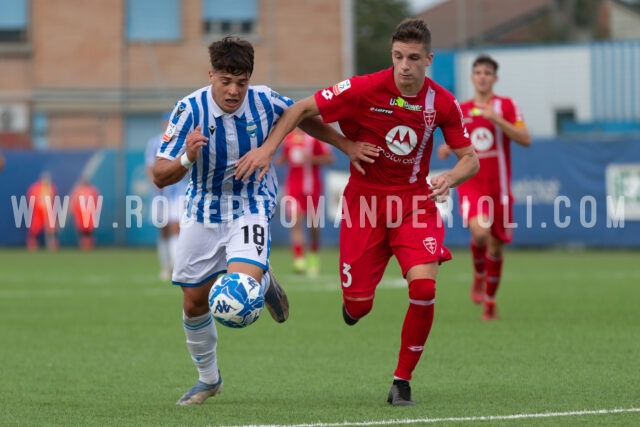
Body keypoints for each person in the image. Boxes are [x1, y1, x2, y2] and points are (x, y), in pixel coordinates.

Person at [235, 19, 479, 406]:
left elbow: (471, 159)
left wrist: (450, 176)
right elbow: (300, 109)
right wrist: (270, 150)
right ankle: (353, 306)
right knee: (358, 306)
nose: (404, 65)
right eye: (398, 56)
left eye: (414, 58)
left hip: (415, 204)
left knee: (424, 287)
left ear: (428, 60)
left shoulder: (442, 103)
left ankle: (402, 382)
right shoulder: (364, 88)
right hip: (364, 206)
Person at [152, 36, 374, 406]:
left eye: (242, 81)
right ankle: (209, 379)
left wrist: (346, 146)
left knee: (238, 289)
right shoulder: (188, 109)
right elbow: (160, 175)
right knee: (193, 303)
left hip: (251, 204)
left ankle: (258, 275)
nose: (234, 90)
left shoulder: (264, 100)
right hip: (202, 210)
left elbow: (301, 116)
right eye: (226, 80)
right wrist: (187, 158)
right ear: (211, 75)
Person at [437, 54, 531, 321]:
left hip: (499, 189)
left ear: (495, 78)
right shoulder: (461, 109)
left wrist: (497, 119)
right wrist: (448, 148)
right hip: (472, 185)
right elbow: (459, 143)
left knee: (496, 246)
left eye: (487, 73)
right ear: (472, 77)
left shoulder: (507, 105)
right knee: (481, 232)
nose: (482, 76)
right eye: (478, 72)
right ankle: (478, 275)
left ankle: (490, 302)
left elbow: (525, 138)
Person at [275, 127, 334, 276]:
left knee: (314, 226)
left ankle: (313, 257)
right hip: (293, 188)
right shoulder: (288, 139)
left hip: (312, 188)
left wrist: (311, 158)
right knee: (295, 222)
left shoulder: (315, 137)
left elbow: (329, 158)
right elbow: (284, 157)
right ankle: (299, 259)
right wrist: (280, 160)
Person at [145, 112, 188, 280]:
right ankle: (165, 267)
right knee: (163, 231)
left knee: (176, 227)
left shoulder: (181, 142)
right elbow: (150, 167)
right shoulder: (154, 143)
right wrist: (157, 183)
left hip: (178, 192)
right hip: (161, 193)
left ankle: (176, 266)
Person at [26, 171, 59, 251]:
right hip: (38, 211)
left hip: (48, 211)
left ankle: (52, 243)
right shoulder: (35, 188)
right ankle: (32, 242)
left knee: (51, 227)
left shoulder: (51, 187)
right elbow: (31, 198)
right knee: (35, 227)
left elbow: (53, 199)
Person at [69, 177, 101, 251]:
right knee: (81, 229)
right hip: (80, 213)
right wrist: (73, 209)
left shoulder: (92, 190)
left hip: (89, 213)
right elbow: (74, 201)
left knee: (89, 229)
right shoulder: (78, 190)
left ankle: (90, 243)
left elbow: (97, 201)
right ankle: (83, 243)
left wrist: (95, 210)